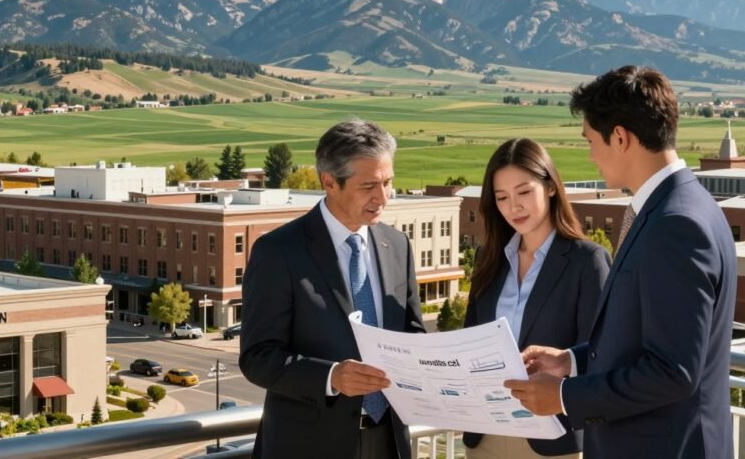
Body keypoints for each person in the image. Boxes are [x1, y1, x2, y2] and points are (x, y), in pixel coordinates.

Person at [504, 66, 735, 459]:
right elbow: (643, 338)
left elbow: (673, 371)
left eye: (590, 140)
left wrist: (564, 397)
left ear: (621, 138)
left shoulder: (675, 225)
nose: (590, 154)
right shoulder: (681, 206)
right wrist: (571, 361)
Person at [240, 119, 425, 459]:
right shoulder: (279, 252)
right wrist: (331, 377)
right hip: (307, 447)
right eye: (368, 185)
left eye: (388, 182)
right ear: (329, 182)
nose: (382, 197)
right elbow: (257, 358)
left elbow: (412, 333)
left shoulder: (398, 245)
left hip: (389, 441)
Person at [463, 138, 610, 459]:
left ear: (551, 187)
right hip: (485, 434)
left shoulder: (588, 261)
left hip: (552, 439)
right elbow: (469, 340)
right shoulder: (487, 258)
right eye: (502, 197)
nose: (513, 207)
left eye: (524, 192)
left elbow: (600, 352)